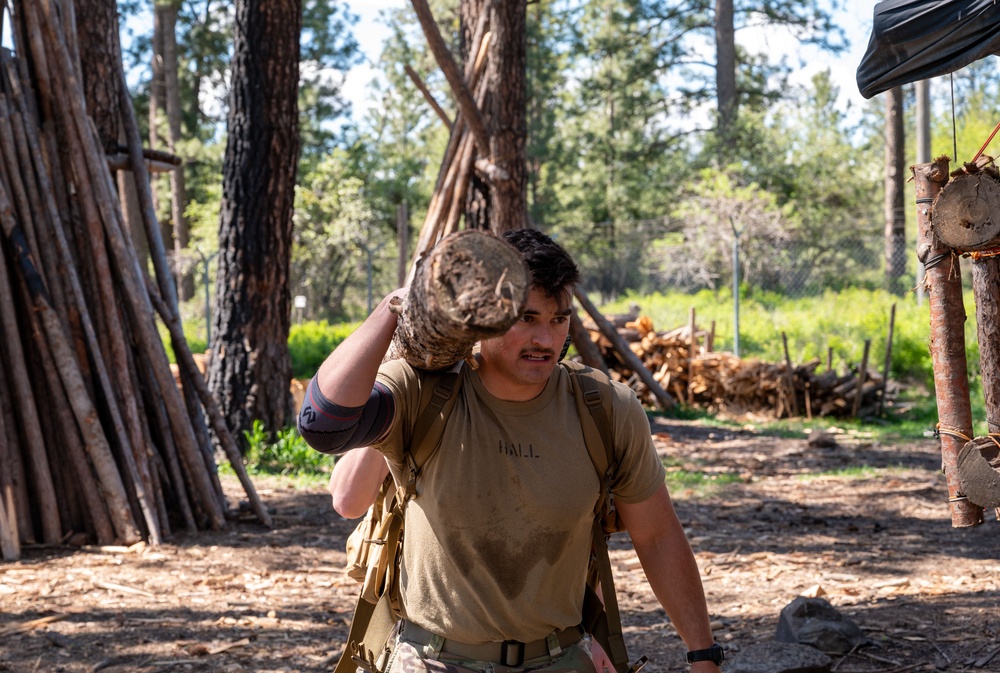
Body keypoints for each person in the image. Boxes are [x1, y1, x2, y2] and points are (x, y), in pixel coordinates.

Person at [298, 229, 723, 673]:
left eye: (559, 320)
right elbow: (324, 424)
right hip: (435, 662)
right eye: (527, 317)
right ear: (484, 316)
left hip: (561, 659)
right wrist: (395, 305)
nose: (546, 338)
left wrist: (703, 654)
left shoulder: (604, 408)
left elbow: (656, 537)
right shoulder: (425, 391)